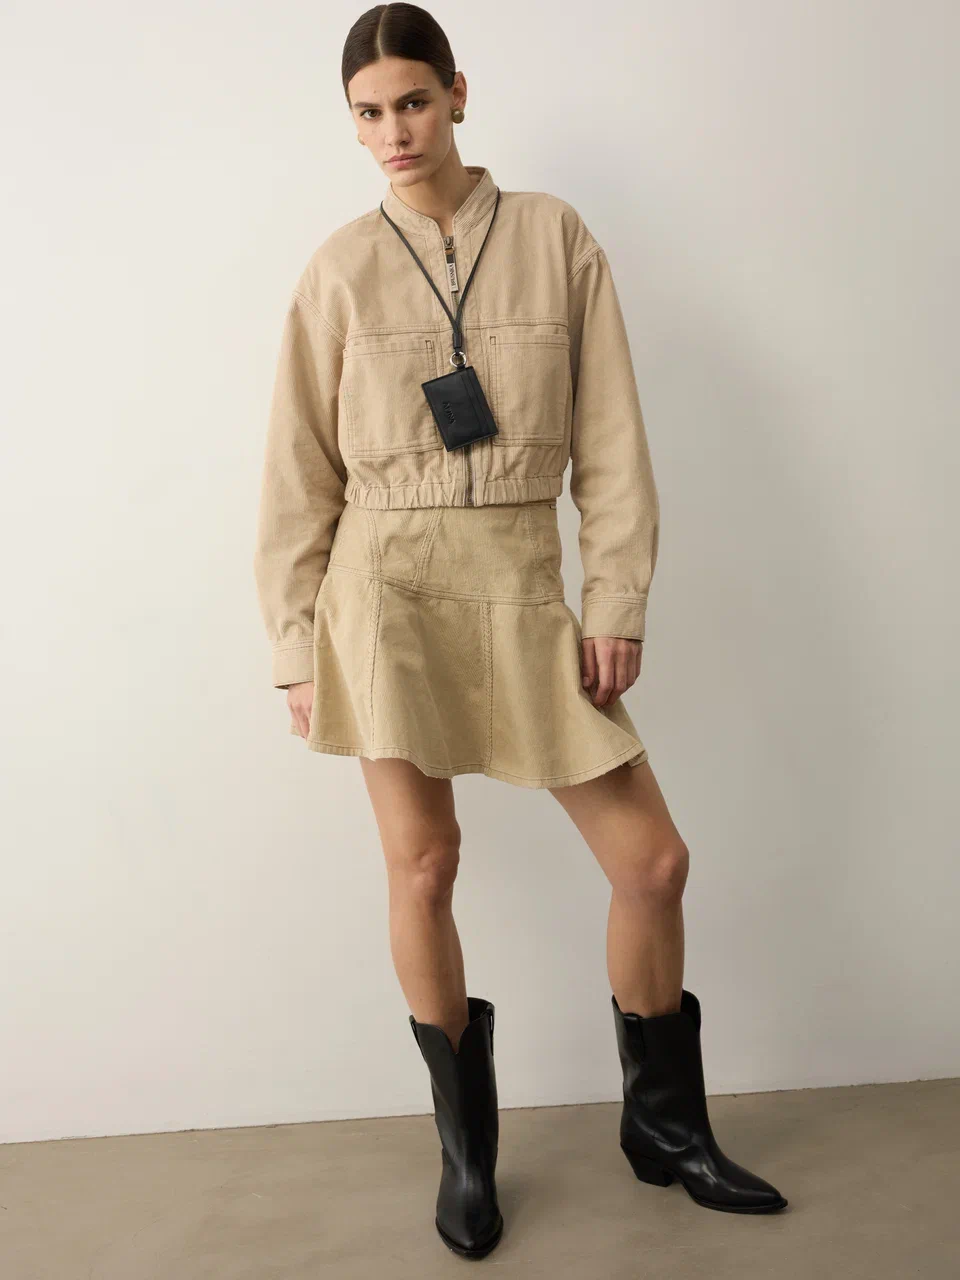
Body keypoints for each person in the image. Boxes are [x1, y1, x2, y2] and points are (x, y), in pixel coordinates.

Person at [253, 1, 788, 1259]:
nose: (395, 131)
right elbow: (296, 471)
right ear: (353, 124)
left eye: (413, 101)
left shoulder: (554, 236)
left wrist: (617, 597)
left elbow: (612, 439)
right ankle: (466, 1153)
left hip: (522, 580)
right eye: (369, 113)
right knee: (425, 865)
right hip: (381, 593)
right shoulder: (338, 267)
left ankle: (663, 1126)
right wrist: (293, 643)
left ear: (458, 93)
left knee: (652, 861)